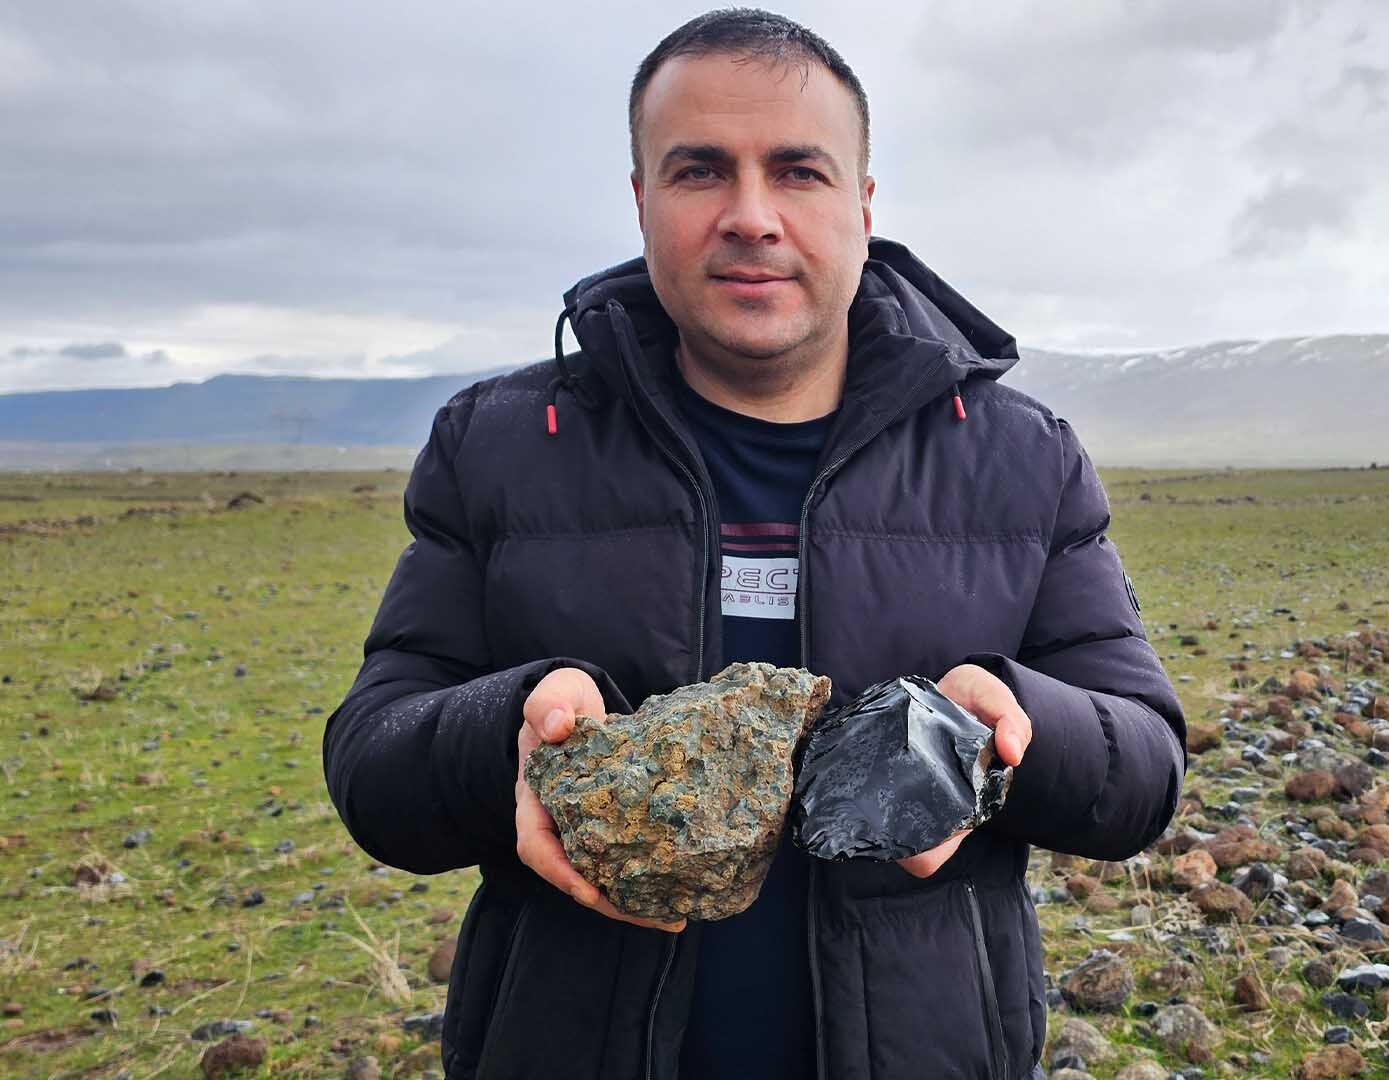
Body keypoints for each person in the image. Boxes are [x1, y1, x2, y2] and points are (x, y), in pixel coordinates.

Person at [322, 9, 1185, 1079]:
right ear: (641, 201)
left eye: (798, 171)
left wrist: (1015, 732)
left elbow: (1145, 767)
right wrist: (507, 739)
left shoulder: (1018, 461)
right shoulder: (500, 448)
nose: (750, 216)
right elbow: (372, 761)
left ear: (862, 204)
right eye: (698, 171)